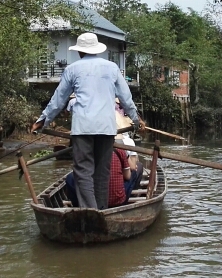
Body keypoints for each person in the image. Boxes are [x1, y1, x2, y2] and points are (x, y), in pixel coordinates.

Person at [33, 32, 142, 209]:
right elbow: (126, 98)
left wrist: (43, 120)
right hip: (106, 128)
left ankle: (90, 211)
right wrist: (136, 120)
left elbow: (59, 99)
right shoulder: (112, 67)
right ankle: (101, 211)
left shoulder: (72, 69)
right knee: (102, 172)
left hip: (83, 128)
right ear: (97, 50)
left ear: (79, 52)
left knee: (83, 171)